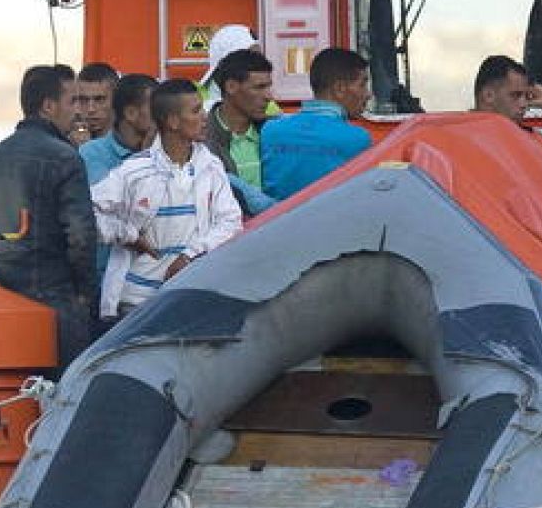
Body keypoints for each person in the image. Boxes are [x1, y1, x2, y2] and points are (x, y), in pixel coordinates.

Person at [0, 64, 100, 370]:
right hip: (56, 304)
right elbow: (80, 234)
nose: (78, 111)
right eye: (72, 101)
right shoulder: (65, 157)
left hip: (0, 306)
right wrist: (84, 295)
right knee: (61, 402)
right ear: (49, 106)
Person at [90, 79, 243, 319]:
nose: (204, 117)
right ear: (172, 122)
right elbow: (89, 213)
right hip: (136, 304)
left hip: (190, 299)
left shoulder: (211, 167)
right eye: (195, 111)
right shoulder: (134, 171)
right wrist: (127, 234)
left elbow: (231, 222)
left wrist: (189, 255)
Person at [260, 47, 373, 200]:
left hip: (276, 222)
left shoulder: (271, 131)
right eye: (362, 85)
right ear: (339, 89)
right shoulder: (357, 138)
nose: (368, 94)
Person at [205, 48, 278, 216]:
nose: (269, 96)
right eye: (259, 87)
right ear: (231, 87)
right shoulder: (199, 140)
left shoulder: (277, 133)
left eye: (268, 86)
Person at [81, 73, 159, 185]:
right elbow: (110, 197)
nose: (163, 114)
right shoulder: (91, 153)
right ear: (130, 113)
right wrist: (144, 158)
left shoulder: (162, 148)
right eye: (155, 107)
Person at [73, 62, 119, 145]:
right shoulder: (64, 141)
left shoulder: (133, 143)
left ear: (116, 99)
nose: (91, 109)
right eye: (83, 99)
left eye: (99, 99)